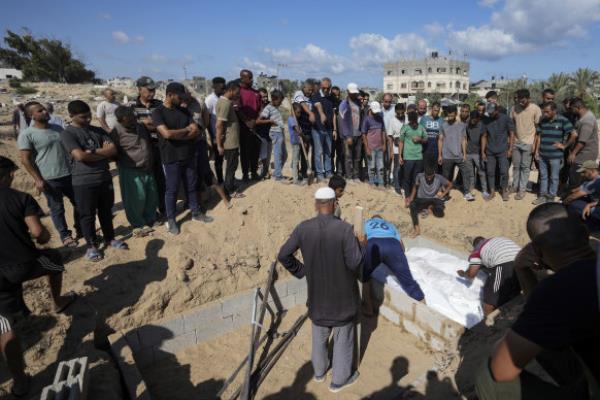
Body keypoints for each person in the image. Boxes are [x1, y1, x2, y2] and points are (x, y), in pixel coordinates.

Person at [475, 203, 600, 399]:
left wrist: (522, 267)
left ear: (536, 250)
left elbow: (502, 370)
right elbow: (540, 321)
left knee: (488, 373)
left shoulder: (557, 290)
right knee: (540, 340)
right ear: (585, 234)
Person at [0, 156, 77, 398]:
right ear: (6, 175)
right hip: (25, 264)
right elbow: (38, 233)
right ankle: (58, 301)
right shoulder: (20, 198)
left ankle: (20, 381)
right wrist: (43, 237)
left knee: (5, 327)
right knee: (54, 261)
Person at [278, 187, 363, 393]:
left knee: (319, 336)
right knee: (343, 339)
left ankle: (319, 372)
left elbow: (283, 255)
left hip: (317, 300)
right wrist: (362, 245)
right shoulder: (345, 230)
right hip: (343, 301)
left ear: (316, 205)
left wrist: (302, 271)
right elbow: (355, 263)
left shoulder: (303, 228)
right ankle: (340, 380)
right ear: (335, 204)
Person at [61, 100, 127, 261]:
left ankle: (110, 238)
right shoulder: (68, 134)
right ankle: (91, 246)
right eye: (83, 117)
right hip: (83, 181)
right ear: (71, 116)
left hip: (104, 177)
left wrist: (91, 151)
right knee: (87, 215)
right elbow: (80, 156)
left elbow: (113, 150)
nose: (88, 119)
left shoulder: (97, 130)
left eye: (89, 115)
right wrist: (101, 152)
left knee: (106, 211)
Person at [18, 102, 80, 247]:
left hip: (69, 174)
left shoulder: (58, 128)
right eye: (40, 111)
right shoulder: (27, 135)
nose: (45, 111)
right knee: (57, 208)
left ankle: (81, 229)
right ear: (31, 115)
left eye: (44, 109)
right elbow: (25, 160)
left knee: (79, 203)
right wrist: (38, 179)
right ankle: (65, 236)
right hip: (49, 178)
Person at [152, 82, 202, 235]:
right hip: (171, 157)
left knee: (191, 185)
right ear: (170, 95)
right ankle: (172, 219)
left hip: (188, 154)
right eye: (179, 97)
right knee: (172, 189)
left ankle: (195, 212)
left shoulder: (184, 111)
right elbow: (166, 134)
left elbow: (196, 131)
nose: (182, 100)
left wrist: (179, 134)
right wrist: (186, 131)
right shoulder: (158, 112)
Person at [110, 106, 158, 236]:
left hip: (147, 167)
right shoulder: (116, 132)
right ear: (120, 121)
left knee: (150, 195)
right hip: (130, 170)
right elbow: (113, 153)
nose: (132, 121)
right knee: (135, 198)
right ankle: (138, 224)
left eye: (133, 118)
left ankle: (150, 219)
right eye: (129, 120)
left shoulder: (140, 126)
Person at [362, 216, 424, 301]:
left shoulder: (367, 223)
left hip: (374, 243)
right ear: (382, 220)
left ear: (373, 218)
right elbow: (402, 247)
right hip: (393, 245)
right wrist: (397, 259)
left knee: (363, 273)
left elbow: (363, 240)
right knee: (408, 281)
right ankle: (420, 301)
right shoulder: (390, 225)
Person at [457, 236, 521, 316]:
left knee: (490, 299)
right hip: (522, 262)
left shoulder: (477, 250)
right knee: (513, 294)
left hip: (505, 263)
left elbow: (471, 274)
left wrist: (464, 274)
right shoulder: (496, 240)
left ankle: (488, 325)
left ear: (475, 245)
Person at [131, 76, 166, 217]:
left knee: (160, 179)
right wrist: (152, 124)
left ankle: (163, 208)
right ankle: (150, 211)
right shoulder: (131, 107)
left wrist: (146, 123)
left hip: (159, 146)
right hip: (142, 149)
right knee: (146, 181)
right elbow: (132, 127)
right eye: (149, 90)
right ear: (140, 90)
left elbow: (163, 124)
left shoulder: (159, 105)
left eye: (154, 90)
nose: (152, 92)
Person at [532, 101, 577, 205]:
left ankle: (551, 197)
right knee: (543, 176)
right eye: (544, 112)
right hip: (543, 155)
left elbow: (574, 134)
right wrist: (536, 151)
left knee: (554, 177)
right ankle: (542, 196)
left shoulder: (563, 120)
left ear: (554, 111)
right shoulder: (543, 120)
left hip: (556, 156)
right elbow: (539, 136)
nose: (545, 114)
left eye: (547, 112)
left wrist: (564, 146)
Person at [510, 89, 542, 199]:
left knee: (525, 167)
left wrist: (535, 145)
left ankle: (522, 190)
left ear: (529, 98)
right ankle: (515, 186)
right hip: (516, 142)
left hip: (529, 143)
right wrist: (511, 141)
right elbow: (512, 126)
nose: (521, 102)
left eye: (523, 100)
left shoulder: (535, 109)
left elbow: (538, 129)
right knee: (516, 167)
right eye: (519, 100)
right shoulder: (514, 108)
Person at [481, 102, 515, 201]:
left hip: (503, 150)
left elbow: (512, 133)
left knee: (504, 171)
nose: (491, 114)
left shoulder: (505, 118)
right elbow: (484, 136)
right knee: (490, 172)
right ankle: (492, 192)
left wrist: (510, 149)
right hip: (490, 151)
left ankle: (504, 191)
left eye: (492, 112)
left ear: (497, 110)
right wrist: (483, 151)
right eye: (489, 112)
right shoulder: (486, 120)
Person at [407, 164, 453, 236]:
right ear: (424, 173)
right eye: (427, 177)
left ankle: (430, 208)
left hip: (434, 199)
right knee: (412, 206)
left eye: (430, 177)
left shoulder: (439, 177)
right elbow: (415, 187)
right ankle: (416, 228)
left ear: (434, 174)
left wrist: (443, 194)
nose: (428, 179)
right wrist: (411, 198)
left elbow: (450, 184)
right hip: (421, 199)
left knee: (440, 212)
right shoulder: (419, 176)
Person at [216, 81, 244, 197]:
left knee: (232, 165)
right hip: (230, 142)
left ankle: (230, 185)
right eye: (237, 92)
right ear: (231, 90)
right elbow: (219, 125)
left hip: (231, 141)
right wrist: (219, 145)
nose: (238, 94)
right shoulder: (225, 104)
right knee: (231, 166)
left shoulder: (226, 102)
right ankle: (230, 190)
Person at [437, 105, 471, 201]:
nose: (450, 117)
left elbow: (463, 140)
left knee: (466, 172)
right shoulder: (443, 125)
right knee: (446, 176)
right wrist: (440, 155)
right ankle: (445, 195)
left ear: (456, 114)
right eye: (449, 116)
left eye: (452, 115)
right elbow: (440, 140)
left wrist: (464, 154)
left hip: (459, 155)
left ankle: (467, 192)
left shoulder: (462, 125)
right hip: (446, 155)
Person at [568, 97, 599, 189]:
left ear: (577, 107)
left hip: (584, 154)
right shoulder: (582, 117)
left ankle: (574, 198)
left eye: (571, 108)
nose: (571, 110)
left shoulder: (587, 120)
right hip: (582, 153)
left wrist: (573, 154)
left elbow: (582, 141)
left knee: (577, 177)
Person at [238, 69, 262, 181]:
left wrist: (256, 121)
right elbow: (237, 109)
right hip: (243, 127)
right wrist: (247, 122)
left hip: (256, 125)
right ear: (242, 78)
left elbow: (260, 109)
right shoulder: (238, 92)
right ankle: (245, 174)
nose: (252, 79)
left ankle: (254, 172)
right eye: (250, 77)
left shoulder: (256, 93)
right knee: (245, 152)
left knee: (255, 150)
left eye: (252, 77)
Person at [398, 111, 427, 203]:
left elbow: (426, 139)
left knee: (416, 178)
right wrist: (400, 156)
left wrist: (420, 139)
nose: (414, 123)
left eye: (415, 121)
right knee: (407, 178)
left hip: (419, 157)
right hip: (408, 157)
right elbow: (401, 142)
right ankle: (407, 196)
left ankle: (414, 197)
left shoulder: (421, 128)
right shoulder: (405, 128)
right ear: (409, 120)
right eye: (412, 122)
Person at [258, 90, 287, 182]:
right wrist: (270, 121)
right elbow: (258, 121)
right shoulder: (268, 108)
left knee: (284, 155)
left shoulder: (277, 107)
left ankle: (276, 172)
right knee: (278, 154)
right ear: (274, 99)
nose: (281, 102)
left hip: (280, 132)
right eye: (280, 100)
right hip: (275, 133)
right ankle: (278, 175)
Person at [564, 160, 600, 230]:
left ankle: (594, 223)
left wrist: (564, 203)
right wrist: (569, 192)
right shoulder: (593, 179)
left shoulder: (595, 182)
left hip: (597, 206)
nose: (582, 174)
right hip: (596, 203)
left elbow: (573, 196)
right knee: (579, 200)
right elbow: (578, 189)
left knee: (574, 205)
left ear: (592, 171)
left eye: (584, 172)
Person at [310, 79, 335, 180]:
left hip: (329, 129)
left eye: (327, 88)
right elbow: (318, 105)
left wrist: (335, 130)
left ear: (330, 87)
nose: (325, 90)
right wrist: (321, 114)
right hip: (317, 129)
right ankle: (320, 174)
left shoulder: (331, 97)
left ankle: (328, 172)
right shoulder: (316, 95)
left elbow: (333, 114)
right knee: (319, 152)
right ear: (321, 87)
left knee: (328, 152)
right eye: (323, 88)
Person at [339, 83, 363, 181]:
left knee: (357, 157)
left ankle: (356, 176)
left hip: (358, 134)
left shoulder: (358, 102)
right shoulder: (344, 104)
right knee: (348, 157)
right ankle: (349, 177)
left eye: (355, 93)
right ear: (348, 92)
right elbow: (343, 121)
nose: (354, 95)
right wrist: (348, 136)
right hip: (349, 135)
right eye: (352, 93)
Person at [205, 77, 226, 184]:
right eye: (221, 87)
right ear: (214, 87)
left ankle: (226, 179)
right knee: (218, 160)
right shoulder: (209, 100)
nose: (223, 90)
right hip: (215, 135)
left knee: (224, 159)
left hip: (224, 135)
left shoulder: (223, 98)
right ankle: (220, 181)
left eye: (224, 87)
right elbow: (207, 120)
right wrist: (212, 136)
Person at [361, 101, 386, 187]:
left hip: (380, 147)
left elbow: (383, 132)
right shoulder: (367, 120)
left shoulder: (380, 118)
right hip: (371, 148)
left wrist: (384, 144)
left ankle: (381, 183)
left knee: (381, 166)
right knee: (371, 167)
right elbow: (364, 134)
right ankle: (371, 183)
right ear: (370, 109)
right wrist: (367, 147)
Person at [465, 110, 489, 198]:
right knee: (470, 173)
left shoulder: (482, 125)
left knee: (481, 172)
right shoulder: (467, 125)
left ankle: (484, 190)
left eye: (475, 119)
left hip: (478, 153)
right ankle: (471, 189)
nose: (473, 120)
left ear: (478, 118)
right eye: (471, 118)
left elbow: (484, 138)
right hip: (468, 153)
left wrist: (483, 152)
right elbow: (465, 138)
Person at [387, 103, 406, 195]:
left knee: (404, 167)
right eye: (398, 113)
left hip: (407, 148)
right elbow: (390, 137)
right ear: (395, 112)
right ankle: (397, 186)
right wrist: (391, 150)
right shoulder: (392, 121)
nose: (400, 115)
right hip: (396, 148)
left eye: (402, 113)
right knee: (397, 168)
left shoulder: (407, 119)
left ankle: (402, 184)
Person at [420, 101, 444, 166]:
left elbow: (441, 138)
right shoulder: (424, 119)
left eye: (438, 111)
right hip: (425, 150)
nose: (436, 112)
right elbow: (420, 134)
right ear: (431, 109)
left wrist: (440, 155)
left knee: (435, 171)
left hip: (436, 150)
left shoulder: (441, 120)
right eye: (435, 110)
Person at [256, 88, 272, 179]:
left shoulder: (270, 105)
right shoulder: (258, 106)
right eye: (262, 97)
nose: (264, 98)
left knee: (267, 156)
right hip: (260, 134)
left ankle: (265, 172)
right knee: (263, 155)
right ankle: (262, 173)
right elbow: (257, 121)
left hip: (269, 134)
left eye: (266, 96)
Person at [288, 103, 306, 186]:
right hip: (295, 142)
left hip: (298, 142)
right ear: (293, 111)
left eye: (300, 112)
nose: (299, 114)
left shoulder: (296, 119)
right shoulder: (291, 119)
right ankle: (295, 180)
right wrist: (303, 135)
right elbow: (298, 131)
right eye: (298, 112)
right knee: (296, 161)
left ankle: (296, 174)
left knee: (296, 159)